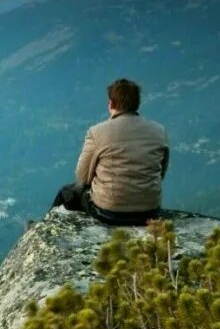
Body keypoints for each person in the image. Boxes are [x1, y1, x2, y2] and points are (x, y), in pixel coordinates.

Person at [52, 78, 169, 226]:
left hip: (110, 212)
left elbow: (82, 177)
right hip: (150, 211)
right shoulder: (159, 131)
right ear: (137, 103)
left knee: (66, 192)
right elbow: (161, 172)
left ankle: (40, 230)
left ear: (111, 104)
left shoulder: (97, 132)